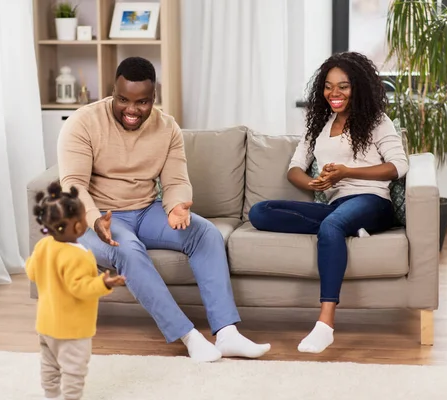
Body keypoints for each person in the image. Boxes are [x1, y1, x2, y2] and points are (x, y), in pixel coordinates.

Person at [57, 56, 270, 362]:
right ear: (113, 92)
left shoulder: (167, 127)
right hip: (96, 216)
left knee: (205, 233)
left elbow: (175, 180)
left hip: (144, 210)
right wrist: (93, 220)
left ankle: (226, 334)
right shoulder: (83, 121)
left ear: (153, 98)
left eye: (141, 102)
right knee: (126, 249)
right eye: (123, 100)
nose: (131, 110)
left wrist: (177, 207)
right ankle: (189, 336)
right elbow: (73, 184)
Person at [248, 51, 409, 354]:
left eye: (343, 86)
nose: (334, 93)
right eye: (328, 86)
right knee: (260, 212)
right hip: (337, 205)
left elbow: (398, 166)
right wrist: (314, 183)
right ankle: (351, 228)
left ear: (358, 87)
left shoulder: (377, 121)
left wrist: (348, 172)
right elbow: (294, 167)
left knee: (332, 225)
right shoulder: (320, 127)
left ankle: (325, 324)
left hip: (372, 199)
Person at [26, 181, 126, 400]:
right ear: (77, 227)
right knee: (74, 370)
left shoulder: (43, 246)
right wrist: (104, 283)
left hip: (46, 324)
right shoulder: (78, 256)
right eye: (82, 219)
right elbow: (80, 288)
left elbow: (32, 271)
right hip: (71, 329)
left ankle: (51, 395)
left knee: (50, 365)